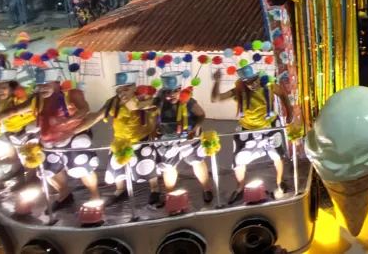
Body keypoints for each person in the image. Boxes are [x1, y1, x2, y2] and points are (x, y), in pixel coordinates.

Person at [0, 67, 99, 208]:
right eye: (40, 85)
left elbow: (85, 109)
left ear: (56, 83)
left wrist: (68, 120)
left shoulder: (71, 94)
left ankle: (94, 195)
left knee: (83, 167)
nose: (43, 88)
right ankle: (64, 195)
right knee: (49, 171)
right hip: (48, 140)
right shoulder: (37, 99)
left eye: (47, 84)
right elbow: (15, 110)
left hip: (72, 137)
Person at [74, 70, 161, 204]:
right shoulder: (112, 102)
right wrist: (73, 131)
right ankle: (121, 190)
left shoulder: (144, 98)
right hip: (119, 140)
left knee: (146, 166)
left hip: (141, 138)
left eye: (126, 89)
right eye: (119, 90)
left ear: (133, 87)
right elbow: (95, 117)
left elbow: (144, 107)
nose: (122, 93)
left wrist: (153, 128)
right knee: (116, 167)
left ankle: (155, 189)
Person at [212, 65, 293, 203]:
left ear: (258, 77)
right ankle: (240, 188)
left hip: (269, 126)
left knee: (277, 155)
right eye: (249, 82)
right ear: (244, 83)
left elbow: (283, 94)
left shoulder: (270, 86)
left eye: (255, 80)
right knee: (238, 160)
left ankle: (280, 182)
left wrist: (289, 113)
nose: (253, 84)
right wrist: (217, 81)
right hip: (247, 129)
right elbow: (216, 99)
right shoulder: (238, 92)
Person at [153, 72, 214, 204]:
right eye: (168, 92)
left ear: (180, 90)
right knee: (168, 167)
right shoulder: (158, 102)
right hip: (167, 138)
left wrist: (195, 128)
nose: (172, 94)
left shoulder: (189, 101)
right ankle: (170, 194)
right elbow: (151, 116)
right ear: (163, 92)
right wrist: (155, 128)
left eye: (175, 91)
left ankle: (206, 188)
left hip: (188, 136)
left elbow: (201, 115)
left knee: (196, 161)